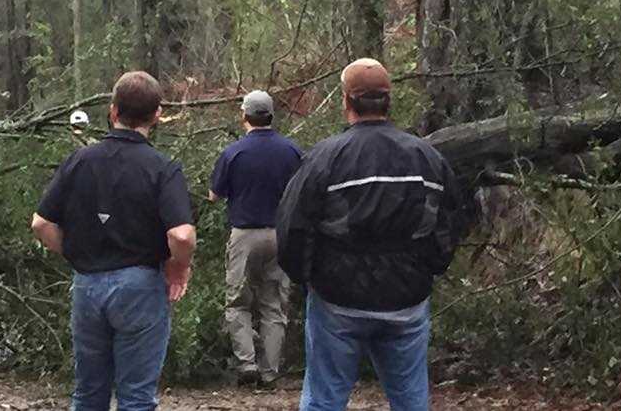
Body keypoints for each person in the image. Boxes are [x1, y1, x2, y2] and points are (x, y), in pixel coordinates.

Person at [276, 58, 467, 411]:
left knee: (323, 399)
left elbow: (291, 228)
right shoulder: (425, 157)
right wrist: (429, 267)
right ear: (389, 100)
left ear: (346, 100)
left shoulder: (326, 157)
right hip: (406, 300)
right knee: (411, 401)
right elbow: (452, 220)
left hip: (337, 300)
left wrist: (309, 278)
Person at [31, 71, 197, 411]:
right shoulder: (162, 168)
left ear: (112, 112)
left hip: (87, 285)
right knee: (135, 396)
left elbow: (41, 224)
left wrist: (76, 253)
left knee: (89, 392)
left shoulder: (79, 161)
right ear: (157, 115)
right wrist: (179, 266)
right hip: (140, 285)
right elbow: (181, 234)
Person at [208, 90, 303, 387]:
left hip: (245, 234)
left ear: (244, 115)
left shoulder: (234, 152)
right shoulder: (292, 151)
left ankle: (246, 364)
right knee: (273, 304)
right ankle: (269, 372)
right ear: (271, 116)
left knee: (238, 302)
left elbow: (214, 195)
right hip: (281, 235)